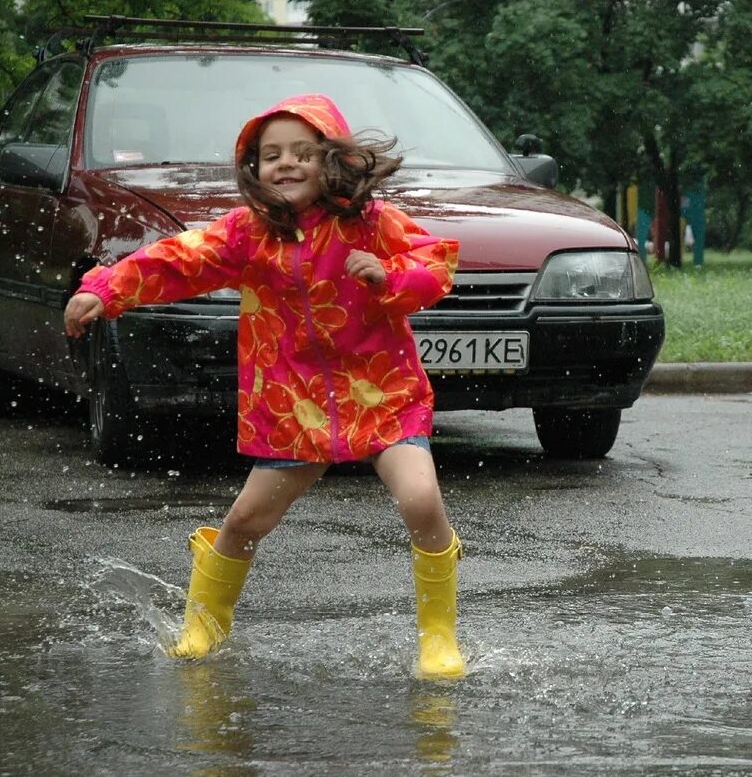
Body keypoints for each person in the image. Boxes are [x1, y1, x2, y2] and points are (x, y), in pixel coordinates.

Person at [64, 94, 466, 679]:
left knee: (421, 499)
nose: (287, 164)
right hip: (291, 404)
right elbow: (178, 259)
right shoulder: (249, 232)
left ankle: (438, 637)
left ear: (334, 160)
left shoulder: (373, 224)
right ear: (253, 169)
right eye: (271, 155)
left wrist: (391, 275)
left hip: (381, 395)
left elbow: (437, 264)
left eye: (303, 152)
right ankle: (203, 622)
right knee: (246, 522)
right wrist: (105, 289)